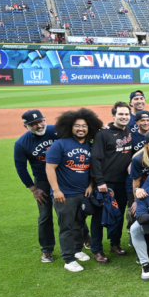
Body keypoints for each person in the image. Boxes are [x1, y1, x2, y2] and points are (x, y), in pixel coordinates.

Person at [45, 108, 103, 272]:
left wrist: (91, 185)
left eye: (84, 126)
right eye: (77, 126)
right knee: (67, 227)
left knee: (79, 224)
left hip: (82, 194)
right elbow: (50, 168)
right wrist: (56, 190)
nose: (80, 129)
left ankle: (77, 250)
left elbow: (92, 168)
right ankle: (68, 259)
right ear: (70, 127)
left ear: (89, 127)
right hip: (65, 194)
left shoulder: (90, 146)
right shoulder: (60, 144)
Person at [89, 101, 134, 262]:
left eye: (126, 114)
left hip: (123, 182)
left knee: (118, 215)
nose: (124, 117)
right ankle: (97, 249)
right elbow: (96, 159)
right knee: (99, 217)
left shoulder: (128, 130)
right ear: (113, 115)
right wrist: (100, 181)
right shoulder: (103, 134)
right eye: (120, 114)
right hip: (106, 184)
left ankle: (115, 244)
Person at [14, 109, 60, 263]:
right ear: (26, 126)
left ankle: (83, 238)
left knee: (69, 211)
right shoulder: (21, 143)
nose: (39, 125)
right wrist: (33, 189)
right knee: (45, 215)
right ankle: (46, 250)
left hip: (64, 178)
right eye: (33, 124)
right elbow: (21, 168)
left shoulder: (56, 131)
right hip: (42, 182)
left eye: (41, 121)